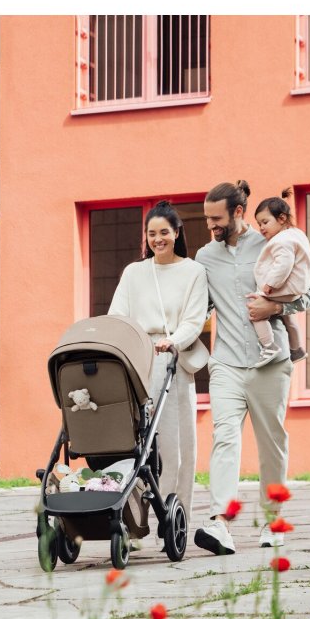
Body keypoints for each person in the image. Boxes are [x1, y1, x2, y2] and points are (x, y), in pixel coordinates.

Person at [193, 181, 310, 555]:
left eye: (216, 218)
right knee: (224, 437)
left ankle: (273, 520)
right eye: (207, 218)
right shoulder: (204, 257)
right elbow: (200, 307)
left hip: (270, 363)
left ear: (238, 212)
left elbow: (308, 296)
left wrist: (275, 308)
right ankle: (220, 522)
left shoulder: (272, 242)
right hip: (226, 362)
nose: (211, 225)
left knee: (272, 443)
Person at [108, 200, 208, 515]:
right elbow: (118, 315)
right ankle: (133, 514)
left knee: (176, 444)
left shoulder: (193, 271)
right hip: (138, 359)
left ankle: (175, 513)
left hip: (172, 360)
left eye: (164, 232)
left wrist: (172, 341)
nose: (157, 239)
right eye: (151, 234)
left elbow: (193, 320)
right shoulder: (134, 272)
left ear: (177, 232)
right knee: (136, 442)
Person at [251, 189, 310, 368]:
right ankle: (297, 349)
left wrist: (270, 284)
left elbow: (283, 264)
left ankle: (268, 346)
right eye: (259, 224)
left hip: (284, 287)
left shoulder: (282, 240)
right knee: (289, 317)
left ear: (282, 218)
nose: (261, 228)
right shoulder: (297, 235)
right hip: (296, 289)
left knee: (255, 309)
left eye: (265, 222)